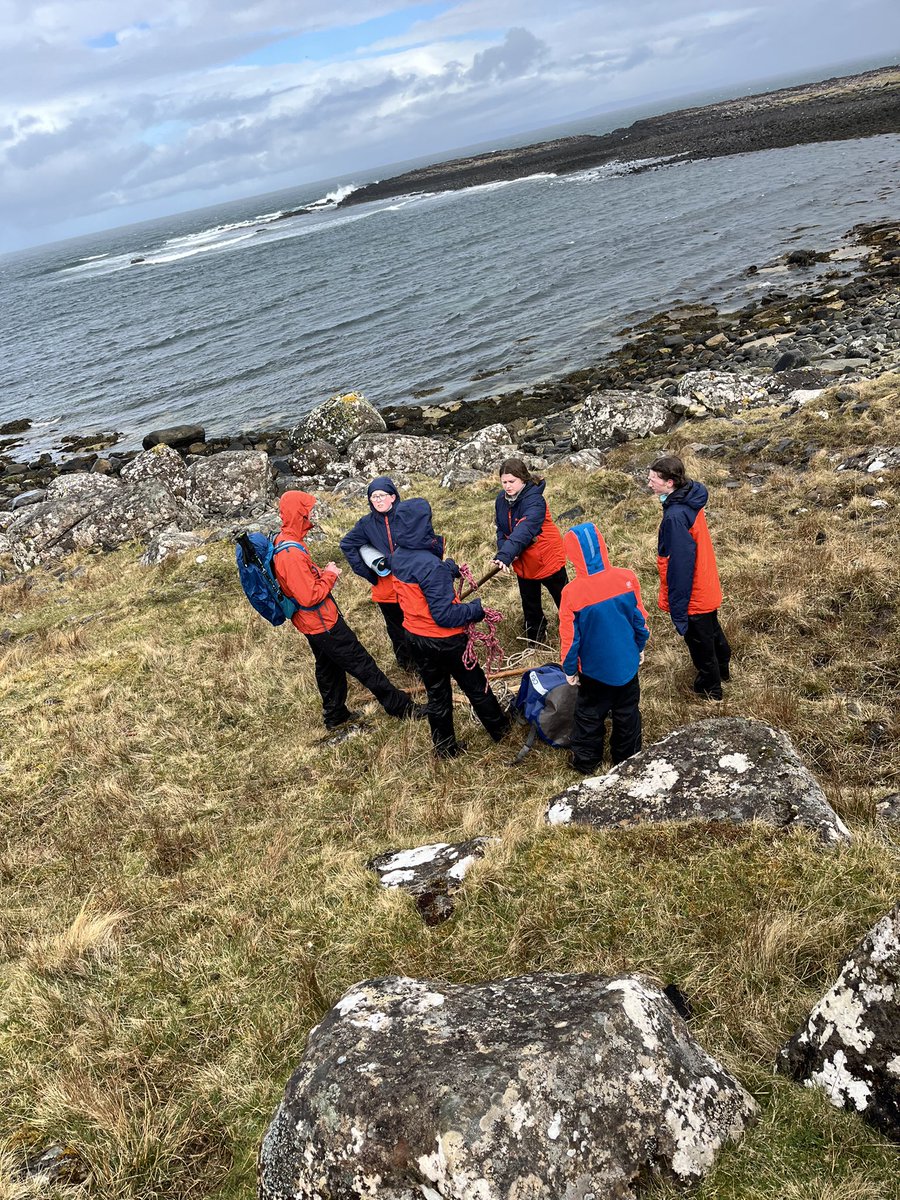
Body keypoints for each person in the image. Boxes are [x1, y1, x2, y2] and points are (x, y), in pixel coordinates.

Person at [272, 490, 423, 730]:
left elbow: (300, 583)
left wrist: (320, 574)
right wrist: (330, 575)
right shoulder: (290, 552)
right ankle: (401, 707)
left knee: (327, 666)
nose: (310, 515)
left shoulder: (284, 540)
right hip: (323, 621)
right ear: (299, 513)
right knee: (363, 664)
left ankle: (335, 715)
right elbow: (309, 596)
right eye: (307, 511)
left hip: (311, 623)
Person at [391, 498, 510, 758]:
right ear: (424, 524)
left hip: (415, 636)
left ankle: (444, 748)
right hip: (444, 641)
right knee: (477, 688)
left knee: (437, 694)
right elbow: (444, 615)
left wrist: (446, 570)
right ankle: (502, 733)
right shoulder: (429, 565)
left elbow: (418, 583)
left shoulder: (398, 556)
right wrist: (476, 610)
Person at [559, 521, 650, 774]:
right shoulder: (627, 578)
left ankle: (586, 762)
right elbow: (639, 621)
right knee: (627, 712)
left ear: (572, 555)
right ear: (602, 545)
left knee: (589, 716)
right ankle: (627, 759)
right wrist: (639, 647)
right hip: (627, 663)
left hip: (594, 670)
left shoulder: (571, 593)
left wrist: (569, 669)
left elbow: (570, 639)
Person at [647, 455, 732, 700]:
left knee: (699, 642)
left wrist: (678, 608)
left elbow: (680, 567)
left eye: (654, 479)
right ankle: (723, 668)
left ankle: (710, 689)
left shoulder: (675, 516)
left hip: (694, 592)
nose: (650, 483)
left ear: (670, 483)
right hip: (706, 583)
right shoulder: (689, 498)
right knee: (711, 630)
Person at [339, 476, 416, 672]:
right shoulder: (365, 524)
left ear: (393, 496)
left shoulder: (406, 515)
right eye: (373, 497)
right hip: (386, 588)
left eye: (382, 495)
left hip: (411, 582)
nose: (378, 500)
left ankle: (423, 659)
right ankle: (406, 664)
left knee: (416, 621)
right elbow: (347, 544)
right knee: (396, 627)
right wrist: (365, 572)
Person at [491, 458, 568, 645]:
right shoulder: (501, 500)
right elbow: (501, 528)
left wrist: (506, 554)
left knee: (565, 599)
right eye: (504, 482)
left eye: (512, 481)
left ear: (523, 480)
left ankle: (577, 630)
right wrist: (506, 551)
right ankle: (535, 638)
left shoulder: (535, 500)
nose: (507, 486)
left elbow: (525, 529)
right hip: (523, 560)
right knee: (530, 603)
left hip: (547, 558)